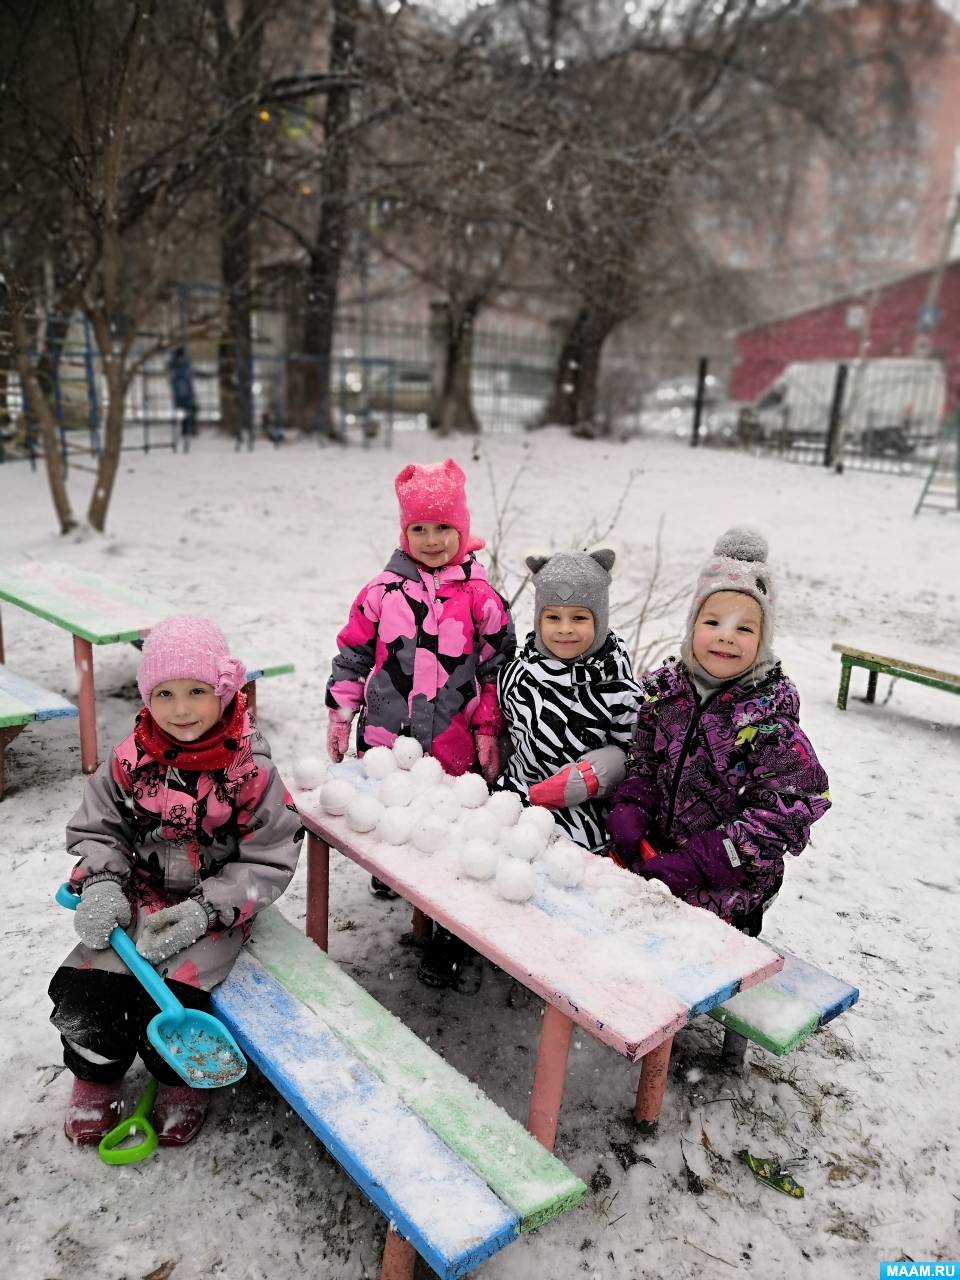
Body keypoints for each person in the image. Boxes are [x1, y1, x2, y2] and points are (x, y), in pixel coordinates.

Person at [50, 616, 303, 1147]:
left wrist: (208, 909)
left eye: (197, 692)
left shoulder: (249, 770)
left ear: (225, 690)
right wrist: (99, 883)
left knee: (177, 996)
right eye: (164, 694)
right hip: (135, 897)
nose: (181, 709)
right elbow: (99, 827)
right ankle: (96, 1072)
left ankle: (179, 1079)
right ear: (147, 696)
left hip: (211, 911)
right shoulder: (128, 760)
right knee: (87, 988)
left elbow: (270, 858)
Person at [325, 457, 515, 983]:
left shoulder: (482, 598)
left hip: (453, 744)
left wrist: (488, 728)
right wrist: (342, 713)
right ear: (404, 531)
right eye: (419, 528)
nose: (432, 540)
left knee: (451, 845)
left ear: (462, 528)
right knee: (396, 822)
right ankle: (396, 879)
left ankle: (445, 933)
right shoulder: (380, 594)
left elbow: (501, 669)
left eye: (443, 528)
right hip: (390, 738)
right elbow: (352, 656)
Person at [607, 527, 830, 939]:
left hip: (729, 888)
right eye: (713, 621)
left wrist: (708, 858)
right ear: (693, 627)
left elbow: (793, 806)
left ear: (763, 640)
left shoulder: (767, 722)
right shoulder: (664, 695)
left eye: (744, 629)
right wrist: (633, 803)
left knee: (684, 965)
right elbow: (645, 760)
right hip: (657, 858)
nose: (726, 635)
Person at [496, 549, 641, 853]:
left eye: (579, 617)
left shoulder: (618, 690)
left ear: (599, 620)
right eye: (553, 617)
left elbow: (635, 755)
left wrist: (590, 777)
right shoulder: (517, 674)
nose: (564, 629)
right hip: (513, 795)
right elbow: (506, 729)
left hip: (580, 814)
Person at [167, 345, 197, 446]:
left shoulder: (183, 363)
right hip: (182, 392)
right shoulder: (177, 364)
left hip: (185, 391)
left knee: (190, 410)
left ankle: (189, 429)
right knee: (186, 411)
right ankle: (187, 430)